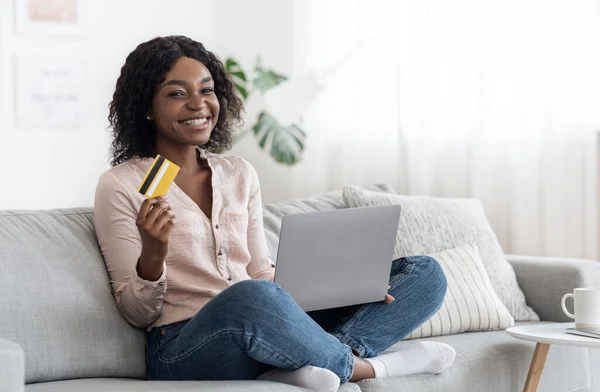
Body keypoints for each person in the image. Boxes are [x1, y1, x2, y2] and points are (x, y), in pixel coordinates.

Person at [94, 35, 455, 391]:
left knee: (424, 273)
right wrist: (153, 257)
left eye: (206, 90)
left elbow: (261, 273)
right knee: (249, 298)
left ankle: (311, 358)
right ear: (146, 107)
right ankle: (364, 367)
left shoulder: (239, 173)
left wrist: (344, 290)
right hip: (184, 345)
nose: (198, 104)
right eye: (177, 93)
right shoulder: (121, 185)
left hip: (262, 320)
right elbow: (136, 312)